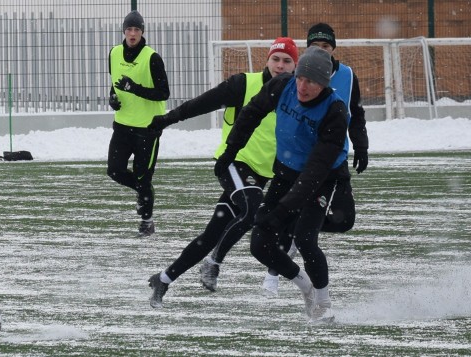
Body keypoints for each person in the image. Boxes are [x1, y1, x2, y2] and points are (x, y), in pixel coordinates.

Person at [147, 37, 299, 307]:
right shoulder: (244, 84)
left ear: (295, 65)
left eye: (287, 60)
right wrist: (168, 119)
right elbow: (203, 103)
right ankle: (213, 261)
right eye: (276, 59)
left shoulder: (298, 94)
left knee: (211, 234)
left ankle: (163, 279)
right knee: (251, 210)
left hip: (262, 175)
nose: (280, 65)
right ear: (267, 60)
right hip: (234, 163)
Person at [216, 46, 348, 323]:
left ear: (324, 83)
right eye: (300, 77)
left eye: (311, 81)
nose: (302, 85)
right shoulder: (282, 84)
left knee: (304, 238)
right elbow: (251, 112)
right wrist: (230, 151)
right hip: (286, 172)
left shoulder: (335, 111)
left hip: (322, 180)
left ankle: (324, 304)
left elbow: (315, 170)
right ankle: (306, 288)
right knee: (259, 243)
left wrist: (283, 211)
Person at [260, 22, 370, 296]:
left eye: (325, 46)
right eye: (315, 46)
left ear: (333, 48)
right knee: (298, 228)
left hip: (333, 158)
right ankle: (278, 273)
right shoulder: (300, 75)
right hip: (300, 160)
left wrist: (362, 145)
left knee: (344, 221)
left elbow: (355, 112)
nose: (320, 50)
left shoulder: (346, 74)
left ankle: (299, 227)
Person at [106, 10, 170, 236]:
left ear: (142, 32)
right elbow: (115, 85)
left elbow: (164, 93)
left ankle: (147, 222)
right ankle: (144, 190)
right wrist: (113, 99)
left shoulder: (152, 57)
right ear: (123, 30)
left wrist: (135, 88)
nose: (132, 34)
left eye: (137, 30)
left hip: (147, 129)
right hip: (122, 125)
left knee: (143, 175)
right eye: (129, 29)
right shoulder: (114, 53)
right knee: (114, 171)